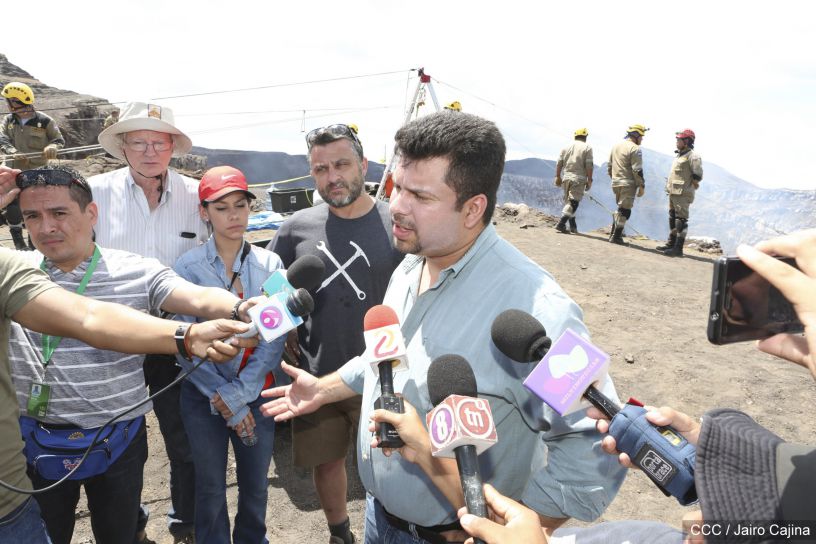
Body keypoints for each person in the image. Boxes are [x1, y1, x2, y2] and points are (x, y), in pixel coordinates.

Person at [263, 111, 625, 543]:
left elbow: (594, 445)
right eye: (397, 187)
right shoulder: (412, 262)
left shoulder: (540, 311)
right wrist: (321, 390)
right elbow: (384, 357)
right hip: (381, 520)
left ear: (473, 209)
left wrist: (523, 528)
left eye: (421, 196)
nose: (395, 206)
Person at [0, 164, 255, 544]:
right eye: (33, 216)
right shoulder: (16, 271)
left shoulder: (135, 269)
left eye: (59, 213)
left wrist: (238, 308)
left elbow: (195, 296)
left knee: (119, 534)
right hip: (37, 439)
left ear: (91, 213)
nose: (46, 227)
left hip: (117, 439)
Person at [267, 124, 403, 544]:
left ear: (363, 165)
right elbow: (273, 286)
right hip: (318, 372)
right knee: (327, 463)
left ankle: (396, 528)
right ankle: (339, 532)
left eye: (341, 164)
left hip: (387, 373)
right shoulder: (294, 229)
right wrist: (286, 324)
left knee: (395, 460)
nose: (332, 177)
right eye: (320, 169)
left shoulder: (397, 223)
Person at [90, 101, 209, 543]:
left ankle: (185, 524)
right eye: (138, 141)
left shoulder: (198, 196)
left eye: (158, 141)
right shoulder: (93, 193)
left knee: (184, 440)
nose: (148, 151)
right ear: (122, 145)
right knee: (116, 438)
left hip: (176, 335)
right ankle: (131, 524)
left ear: (172, 146)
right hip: (110, 335)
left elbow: (225, 248)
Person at [174, 166, 285, 543]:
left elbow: (275, 336)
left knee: (256, 486)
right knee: (209, 487)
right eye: (222, 208)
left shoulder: (272, 265)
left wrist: (240, 394)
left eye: (241, 205)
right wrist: (226, 400)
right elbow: (183, 342)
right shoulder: (186, 269)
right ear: (204, 213)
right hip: (202, 395)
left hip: (257, 393)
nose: (234, 215)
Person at [1, 82, 65, 250]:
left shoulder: (44, 121)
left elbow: (58, 140)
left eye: (10, 101)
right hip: (11, 171)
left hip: (36, 172)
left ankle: (33, 242)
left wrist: (52, 147)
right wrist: (11, 150)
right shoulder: (8, 120)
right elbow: (2, 139)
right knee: (13, 206)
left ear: (20, 101)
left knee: (34, 206)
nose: (8, 105)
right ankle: (18, 241)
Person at [656, 129, 703, 257]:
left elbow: (697, 174)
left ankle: (678, 248)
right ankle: (671, 243)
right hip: (673, 192)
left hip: (683, 193)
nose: (677, 141)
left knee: (681, 220)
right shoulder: (680, 155)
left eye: (679, 139)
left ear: (687, 141)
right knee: (673, 218)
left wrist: (690, 185)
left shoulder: (693, 156)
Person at [607, 124, 647, 245]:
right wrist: (641, 185)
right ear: (636, 135)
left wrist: (614, 178)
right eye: (641, 136)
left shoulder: (616, 146)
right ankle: (616, 237)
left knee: (620, 208)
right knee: (625, 211)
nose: (642, 139)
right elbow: (637, 170)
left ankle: (613, 234)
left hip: (616, 182)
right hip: (628, 183)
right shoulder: (635, 149)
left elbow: (609, 166)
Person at [554, 128, 594, 234]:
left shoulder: (565, 147)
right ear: (585, 137)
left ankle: (573, 227)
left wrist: (557, 176)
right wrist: (589, 180)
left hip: (566, 178)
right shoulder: (587, 147)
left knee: (569, 202)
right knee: (573, 203)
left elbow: (559, 163)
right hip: (578, 179)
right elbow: (589, 165)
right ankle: (561, 224)